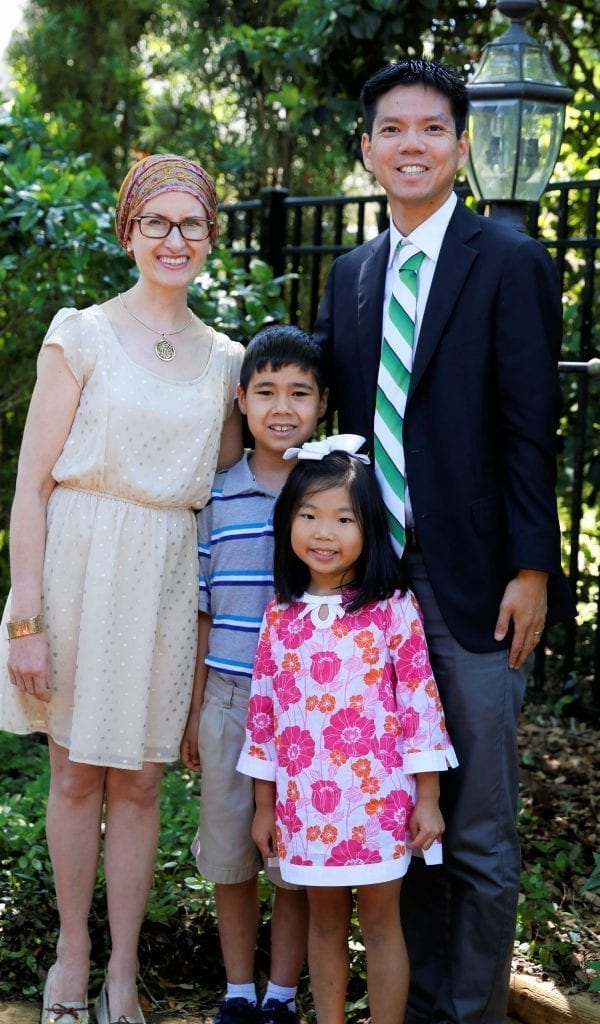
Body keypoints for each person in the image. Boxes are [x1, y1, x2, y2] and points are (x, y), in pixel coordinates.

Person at [312, 59, 576, 1024]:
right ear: (368, 148)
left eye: (431, 128)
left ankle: (472, 1013)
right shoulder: (352, 274)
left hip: (477, 588)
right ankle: (418, 1007)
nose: (411, 145)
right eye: (393, 129)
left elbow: (529, 429)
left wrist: (532, 568)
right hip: (374, 592)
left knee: (477, 829)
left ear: (461, 145)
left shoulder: (509, 261)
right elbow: (329, 421)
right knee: (400, 817)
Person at [0, 153, 245, 1024]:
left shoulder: (227, 361)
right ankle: (71, 958)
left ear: (211, 236)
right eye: (156, 222)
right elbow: (31, 486)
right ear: (129, 231)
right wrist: (25, 617)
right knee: (74, 775)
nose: (174, 239)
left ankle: (121, 973)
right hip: (79, 571)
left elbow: (225, 495)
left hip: (167, 583)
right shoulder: (83, 336)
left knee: (141, 782)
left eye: (192, 223)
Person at [237, 437, 458, 1024]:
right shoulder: (280, 616)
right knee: (325, 922)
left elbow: (420, 704)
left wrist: (428, 798)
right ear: (288, 522)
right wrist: (264, 806)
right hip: (305, 808)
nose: (324, 533)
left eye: (343, 518)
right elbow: (264, 717)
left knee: (382, 924)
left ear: (370, 528)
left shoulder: (392, 608)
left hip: (379, 805)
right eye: (309, 515)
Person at [180, 324, 329, 1024]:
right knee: (231, 857)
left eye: (299, 393)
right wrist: (194, 712)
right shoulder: (216, 497)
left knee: (292, 866)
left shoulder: (330, 495)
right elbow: (203, 613)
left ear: (322, 404)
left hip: (309, 711)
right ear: (240, 400)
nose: (282, 408)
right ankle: (239, 990)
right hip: (231, 701)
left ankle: (282, 995)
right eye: (266, 391)